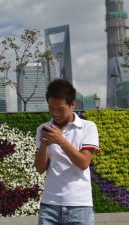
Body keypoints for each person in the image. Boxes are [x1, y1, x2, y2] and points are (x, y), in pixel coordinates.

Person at [35, 79, 100, 225]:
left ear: (72, 105)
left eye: (61, 109)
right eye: (51, 108)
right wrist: (45, 144)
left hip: (79, 206)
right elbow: (39, 169)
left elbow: (83, 163)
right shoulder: (42, 129)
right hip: (49, 205)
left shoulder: (87, 127)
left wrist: (61, 140)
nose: (55, 113)